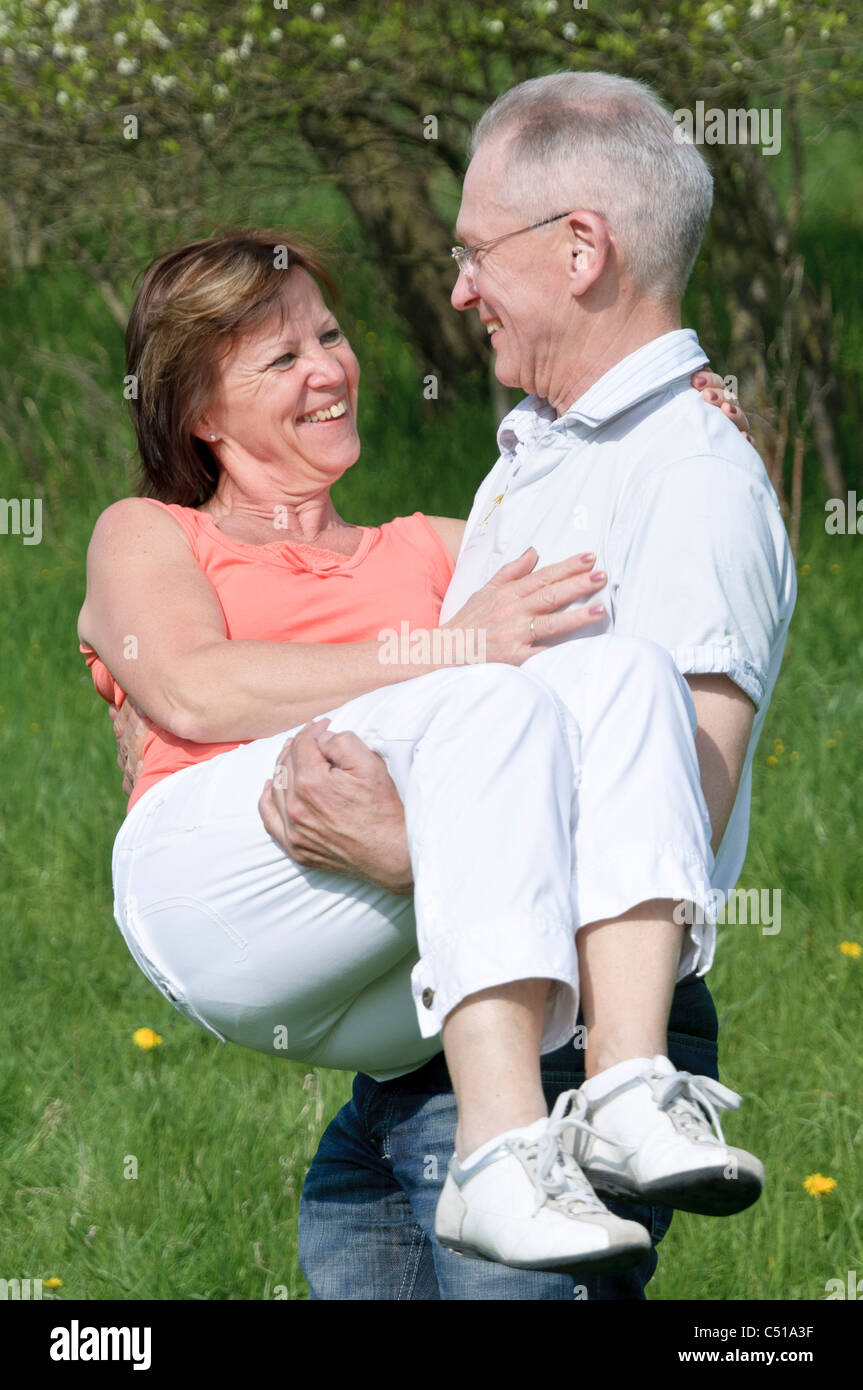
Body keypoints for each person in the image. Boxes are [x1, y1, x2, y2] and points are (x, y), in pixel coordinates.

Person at [81, 222, 758, 1286]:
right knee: (491, 700)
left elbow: (645, 588)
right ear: (201, 411)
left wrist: (686, 445)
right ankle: (498, 1144)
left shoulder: (434, 549)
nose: (329, 369)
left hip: (387, 964)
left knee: (617, 671)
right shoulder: (154, 533)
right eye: (282, 356)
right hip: (213, 873)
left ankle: (623, 1082)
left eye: (330, 334)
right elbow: (192, 687)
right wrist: (451, 648)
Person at [241, 72, 797, 1300]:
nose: (456, 290)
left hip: (567, 1064)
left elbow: (678, 819)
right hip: (431, 1053)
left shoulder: (691, 478)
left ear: (581, 249)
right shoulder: (535, 461)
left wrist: (408, 851)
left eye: (475, 252)